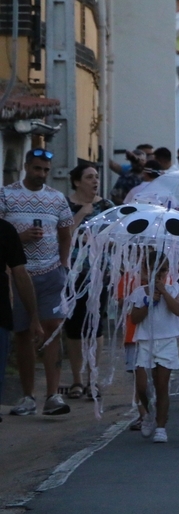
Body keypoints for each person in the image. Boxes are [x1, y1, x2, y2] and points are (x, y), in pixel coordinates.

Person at [1, 148, 74, 416]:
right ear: (26, 166)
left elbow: (66, 233)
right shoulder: (6, 194)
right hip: (19, 274)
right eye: (37, 169)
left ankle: (53, 396)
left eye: (45, 170)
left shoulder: (56, 199)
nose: (41, 174)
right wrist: (20, 238)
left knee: (52, 329)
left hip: (51, 272)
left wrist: (64, 266)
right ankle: (27, 395)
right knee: (23, 333)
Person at [64, 164, 114, 399]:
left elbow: (118, 237)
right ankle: (76, 380)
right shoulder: (65, 204)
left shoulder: (107, 207)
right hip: (72, 273)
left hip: (98, 273)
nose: (95, 181)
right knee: (73, 326)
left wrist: (101, 240)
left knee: (95, 324)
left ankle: (93, 379)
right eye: (89, 177)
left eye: (96, 177)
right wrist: (82, 213)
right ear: (77, 182)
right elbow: (61, 235)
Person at [129, 251, 179, 443]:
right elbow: (134, 318)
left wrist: (164, 292)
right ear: (146, 270)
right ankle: (147, 414)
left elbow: (178, 310)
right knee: (142, 385)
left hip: (167, 341)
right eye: (155, 271)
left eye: (163, 272)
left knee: (161, 385)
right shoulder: (139, 292)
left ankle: (161, 426)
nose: (159, 276)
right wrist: (149, 301)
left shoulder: (173, 289)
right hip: (145, 341)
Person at [0, 218, 41, 413]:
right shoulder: (5, 229)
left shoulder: (5, 229)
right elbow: (19, 273)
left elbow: (20, 273)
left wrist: (33, 315)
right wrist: (33, 315)